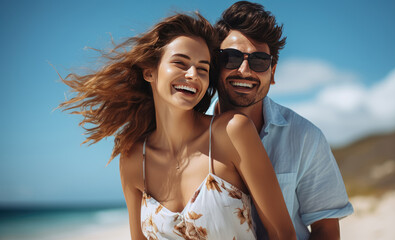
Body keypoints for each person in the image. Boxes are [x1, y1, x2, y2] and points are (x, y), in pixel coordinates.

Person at [59, 12, 296, 240]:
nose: (193, 74)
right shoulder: (133, 159)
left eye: (203, 68)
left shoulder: (232, 132)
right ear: (149, 72)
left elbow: (282, 234)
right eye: (181, 63)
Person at [212, 1, 354, 240]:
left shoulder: (306, 137)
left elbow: (326, 230)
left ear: (273, 72)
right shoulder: (194, 132)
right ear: (215, 65)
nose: (245, 71)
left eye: (258, 61)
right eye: (232, 58)